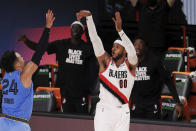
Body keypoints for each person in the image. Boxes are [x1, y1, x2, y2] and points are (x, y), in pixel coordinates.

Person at [18, 15, 96, 114]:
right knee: (67, 120)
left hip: (82, 93)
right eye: (73, 27)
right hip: (65, 92)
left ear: (82, 32)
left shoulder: (87, 48)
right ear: (70, 30)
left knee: (83, 121)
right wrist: (26, 41)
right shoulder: (61, 44)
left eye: (78, 28)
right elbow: (41, 48)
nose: (75, 29)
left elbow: (96, 47)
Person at [77, 10, 138, 131]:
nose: (113, 49)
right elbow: (95, 40)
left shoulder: (131, 65)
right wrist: (89, 18)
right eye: (113, 46)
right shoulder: (105, 62)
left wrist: (120, 31)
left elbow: (132, 51)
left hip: (123, 111)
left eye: (117, 47)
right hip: (105, 110)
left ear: (124, 51)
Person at [0, 10, 55, 131]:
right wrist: (47, 28)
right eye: (21, 57)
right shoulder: (23, 76)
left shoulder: (6, 76)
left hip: (2, 123)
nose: (24, 58)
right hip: (18, 126)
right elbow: (39, 52)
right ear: (18, 64)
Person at [130, 37, 183, 120]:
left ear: (145, 47)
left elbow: (168, 81)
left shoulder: (154, 62)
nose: (137, 47)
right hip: (136, 103)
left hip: (151, 104)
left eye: (140, 44)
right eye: (135, 44)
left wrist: (177, 102)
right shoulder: (129, 63)